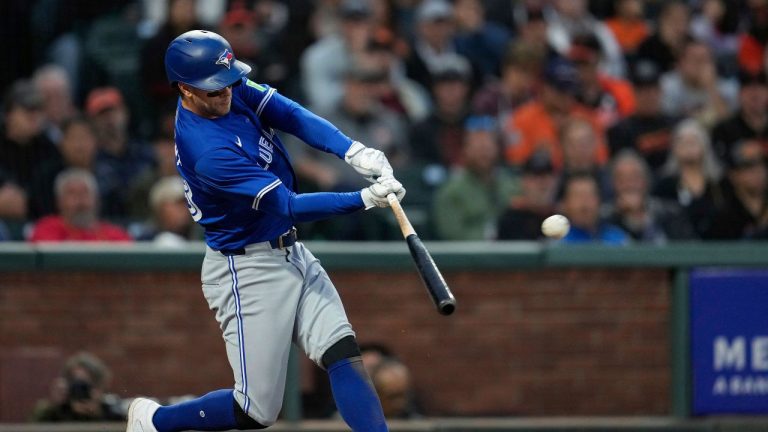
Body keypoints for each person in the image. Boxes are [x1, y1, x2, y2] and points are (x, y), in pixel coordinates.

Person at [125, 30, 405, 432]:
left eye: (226, 83)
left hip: (290, 252)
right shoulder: (207, 151)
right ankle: (155, 421)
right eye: (213, 89)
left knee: (342, 351)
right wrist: (363, 199)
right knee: (254, 412)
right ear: (184, 89)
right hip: (247, 268)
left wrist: (351, 150)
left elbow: (289, 113)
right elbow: (288, 205)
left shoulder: (229, 84)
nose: (225, 93)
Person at [432, 116, 519, 240]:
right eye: (477, 146)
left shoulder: (512, 186)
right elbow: (451, 236)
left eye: (488, 146)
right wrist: (494, 235)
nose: (483, 152)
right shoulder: (451, 192)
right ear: (465, 150)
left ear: (497, 149)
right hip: (470, 257)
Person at [29, 169, 132, 242]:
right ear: (59, 202)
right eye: (72, 193)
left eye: (85, 192)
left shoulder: (116, 236)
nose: (80, 199)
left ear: (97, 200)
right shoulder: (46, 229)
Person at [31, 352, 123, 422]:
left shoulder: (110, 410)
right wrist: (55, 406)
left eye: (86, 385)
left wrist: (97, 413)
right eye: (76, 383)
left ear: (99, 386)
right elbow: (34, 426)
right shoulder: (56, 411)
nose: (81, 390)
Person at [558, 173, 629, 245]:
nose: (584, 202)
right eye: (577, 195)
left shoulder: (618, 239)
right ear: (565, 204)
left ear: (599, 201)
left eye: (590, 195)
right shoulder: (557, 243)